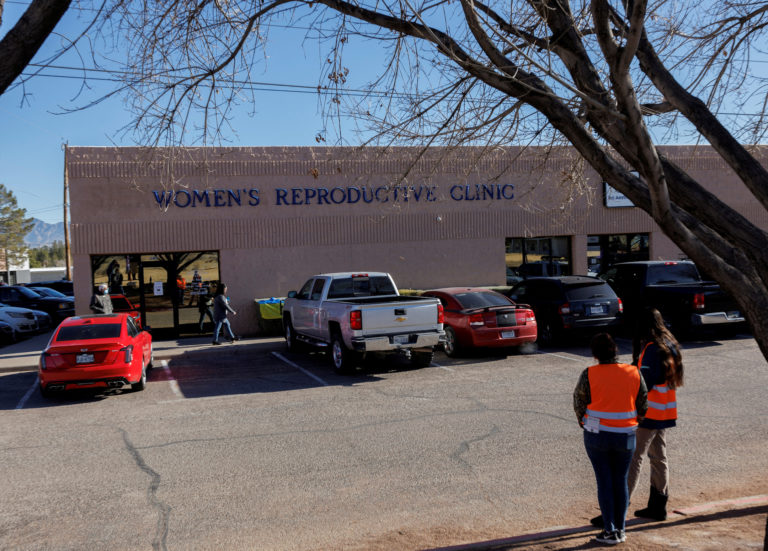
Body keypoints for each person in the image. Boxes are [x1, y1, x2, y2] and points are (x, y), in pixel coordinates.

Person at [574, 333, 648, 545]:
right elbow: (643, 403)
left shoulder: (589, 373)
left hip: (597, 436)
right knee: (620, 481)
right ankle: (621, 529)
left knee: (604, 482)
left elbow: (579, 403)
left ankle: (609, 529)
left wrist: (585, 423)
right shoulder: (633, 372)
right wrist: (635, 421)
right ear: (616, 351)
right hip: (625, 435)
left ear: (595, 355)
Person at [628, 308, 684, 521]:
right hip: (664, 410)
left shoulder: (652, 347)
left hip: (649, 412)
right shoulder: (670, 344)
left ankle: (618, 507)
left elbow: (645, 382)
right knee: (659, 457)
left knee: (634, 457)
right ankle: (658, 505)